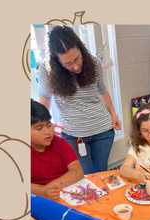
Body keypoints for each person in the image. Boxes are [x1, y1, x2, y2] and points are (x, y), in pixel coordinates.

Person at [37, 25, 121, 174]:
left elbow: (102, 90)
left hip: (102, 130)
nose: (75, 67)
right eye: (68, 63)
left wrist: (113, 114)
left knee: (101, 174)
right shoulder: (47, 69)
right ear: (57, 60)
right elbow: (44, 97)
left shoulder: (93, 62)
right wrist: (45, 123)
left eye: (77, 59)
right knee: (83, 177)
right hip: (73, 134)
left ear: (81, 49)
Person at [30, 99, 84, 199]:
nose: (47, 132)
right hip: (37, 197)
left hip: (64, 191)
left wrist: (48, 189)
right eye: (39, 128)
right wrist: (43, 192)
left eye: (49, 125)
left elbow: (77, 171)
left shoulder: (60, 143)